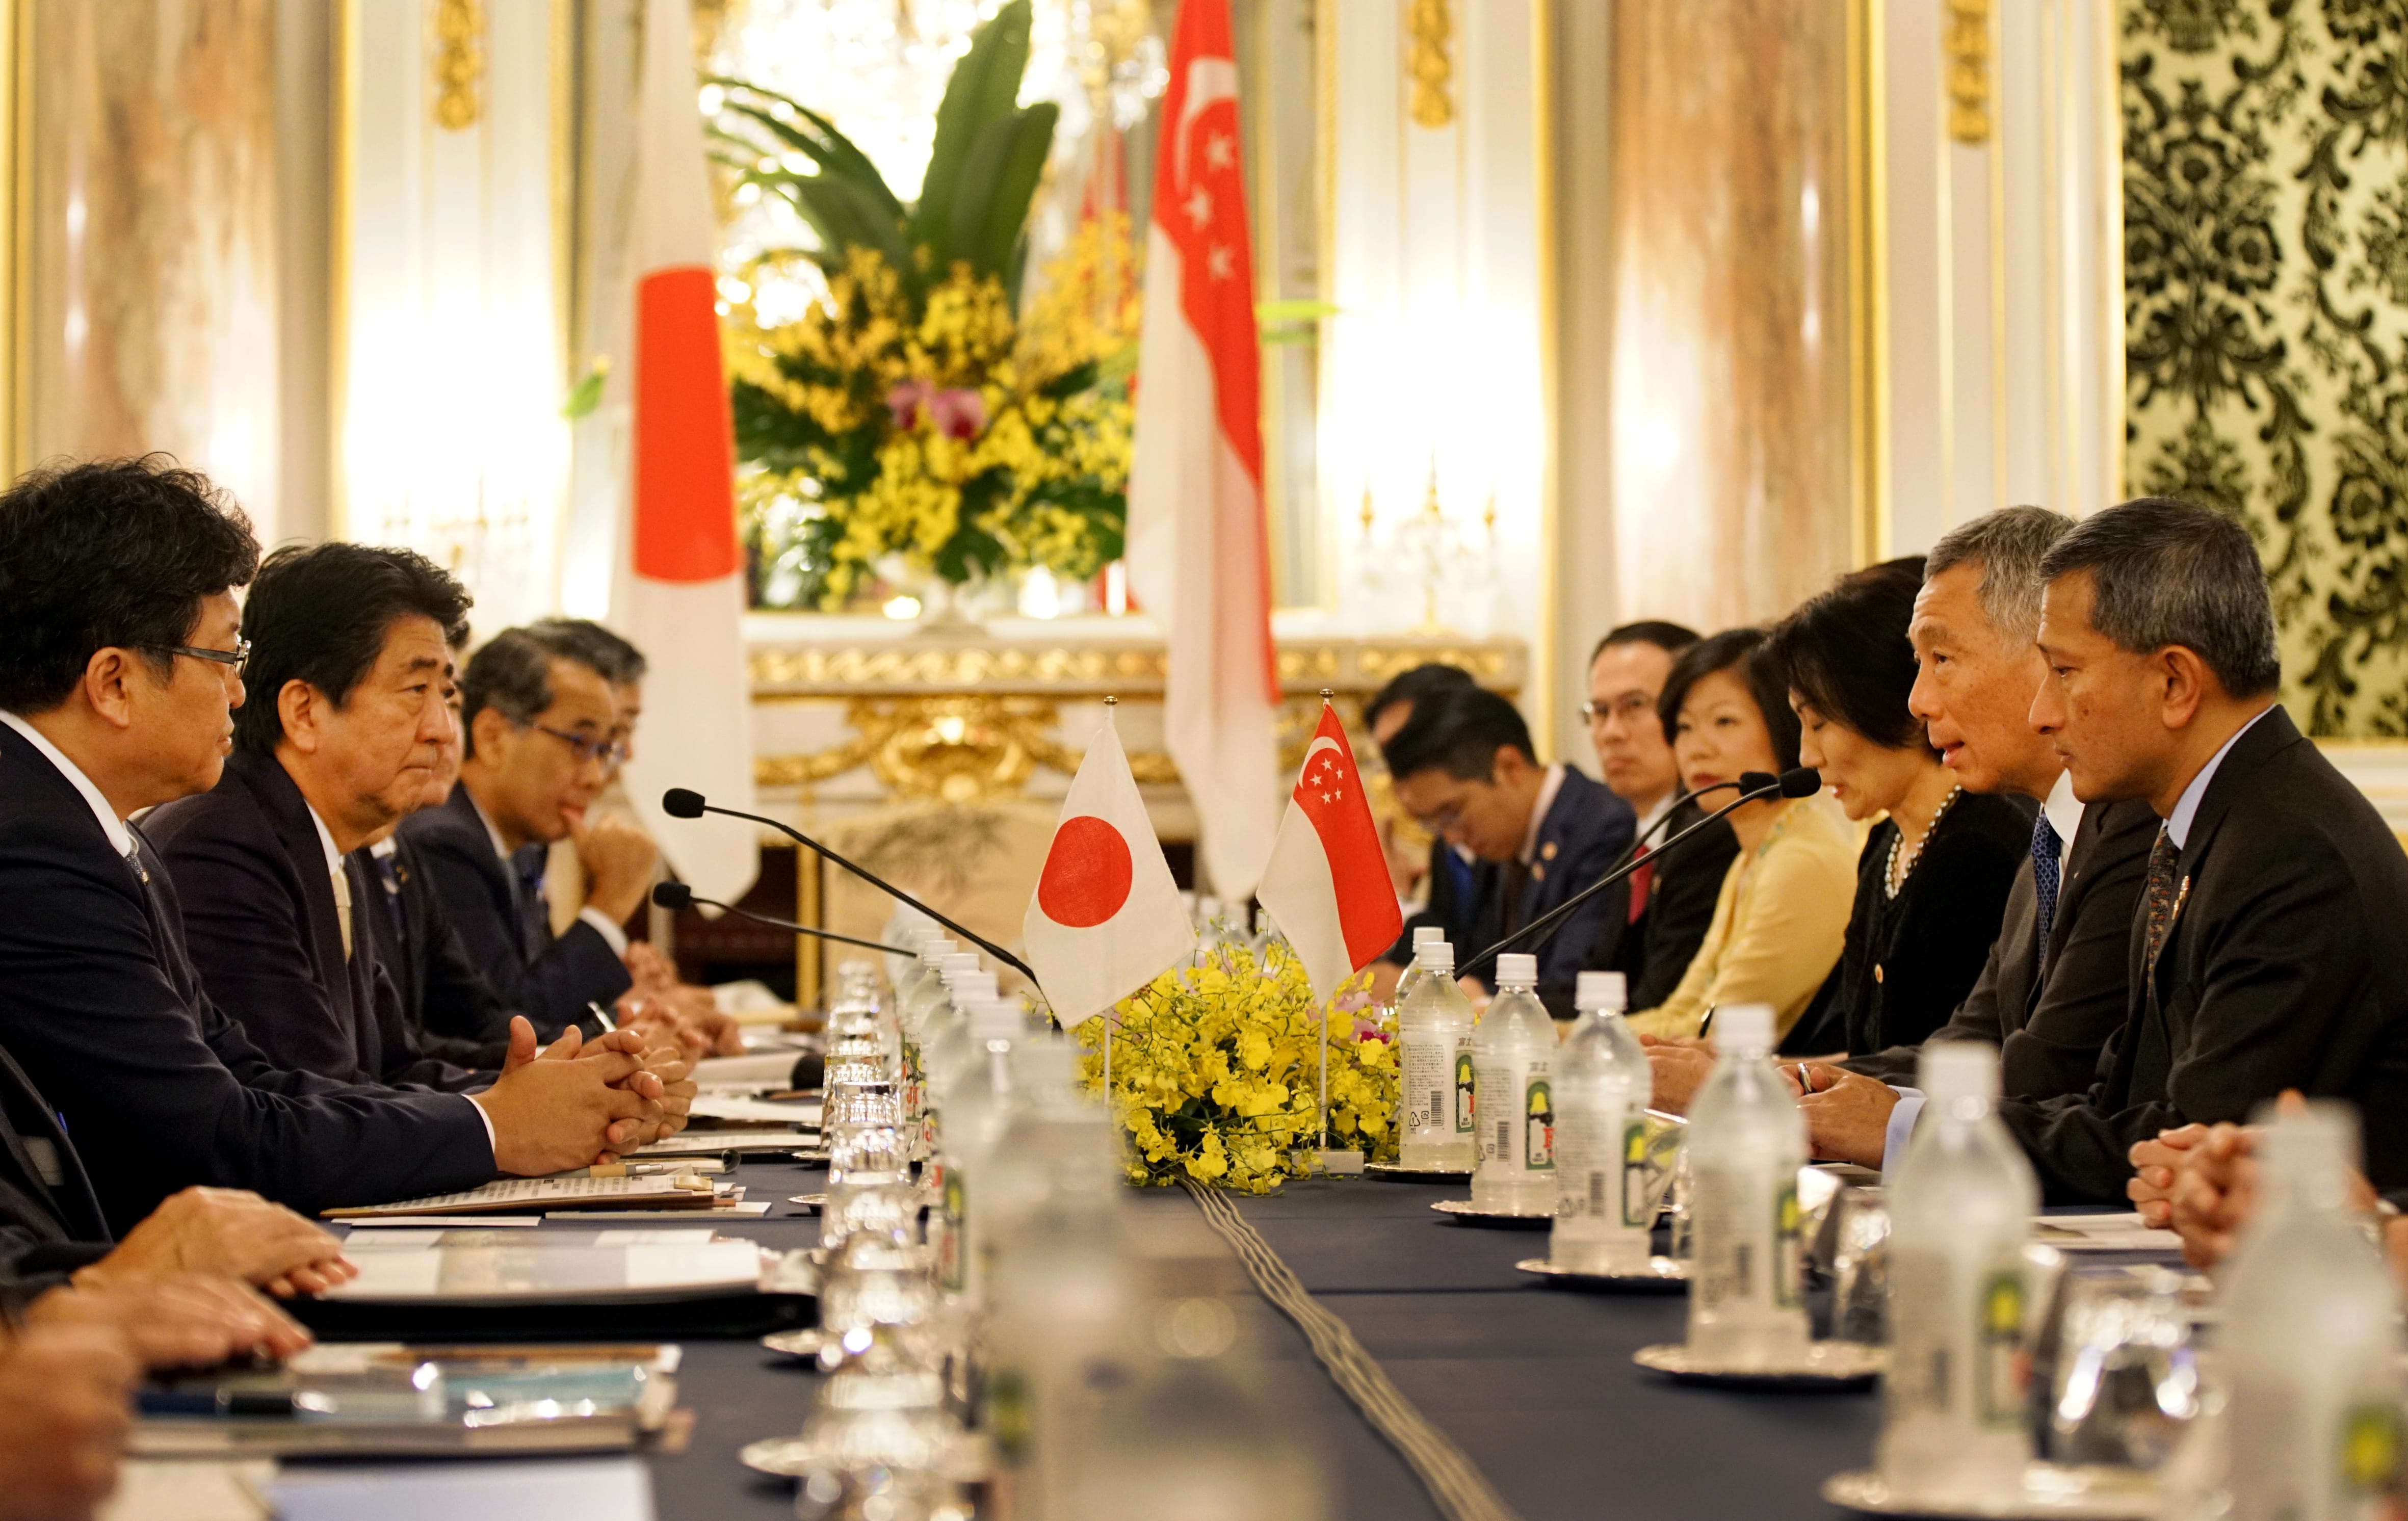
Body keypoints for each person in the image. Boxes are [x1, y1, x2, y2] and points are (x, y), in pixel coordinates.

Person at [0, 457, 667, 1231]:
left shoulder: (99, 834)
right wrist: (498, 1127)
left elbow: (254, 1077)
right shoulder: (45, 846)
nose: (239, 693)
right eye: (223, 659)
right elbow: (216, 1139)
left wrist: (523, 1101)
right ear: (114, 682)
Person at [2003, 496, 2408, 1201]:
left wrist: (1925, 1131)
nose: (2042, 712)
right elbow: (2115, 1102)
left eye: (2063, 672)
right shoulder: (2204, 827)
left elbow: (2197, 1140)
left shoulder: (2292, 854)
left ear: (2174, 683)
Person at [1762, 508, 2158, 1172]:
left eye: (1942, 659)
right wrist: (1798, 1083)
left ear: (2045, 656)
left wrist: (1877, 1119)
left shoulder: (2127, 828)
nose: (1916, 702)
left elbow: (2042, 1067)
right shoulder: (2048, 835)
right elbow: (1968, 1040)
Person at [145, 544, 486, 1089]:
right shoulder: (221, 846)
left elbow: (392, 1065)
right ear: (304, 712)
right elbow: (313, 1097)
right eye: (416, 690)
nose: (443, 729)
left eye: (446, 694)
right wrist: (503, 1120)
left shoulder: (324, 836)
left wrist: (551, 1089)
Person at [1763, 559, 2031, 1058]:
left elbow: (1946, 1063)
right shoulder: (1886, 844)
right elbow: (1865, 1054)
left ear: (1892, 704)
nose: (1806, 756)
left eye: (1818, 722)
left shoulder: (1977, 852)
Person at [399, 628, 655, 1038]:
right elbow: (505, 1025)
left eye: (604, 751)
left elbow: (531, 1001)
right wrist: (610, 904)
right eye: (579, 743)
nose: (594, 777)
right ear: (493, 737)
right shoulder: (441, 841)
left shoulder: (523, 847)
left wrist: (631, 1020)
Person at [1626, 630, 1856, 1041]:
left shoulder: (1800, 862)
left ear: (1783, 724)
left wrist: (1566, 1038)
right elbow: (1683, 1010)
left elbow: (1711, 1033)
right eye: (1684, 727)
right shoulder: (1754, 854)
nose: (1697, 749)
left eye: (1724, 721)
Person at [1382, 685, 1635, 1002]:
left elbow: (1576, 984)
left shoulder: (1600, 824)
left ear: (1509, 767)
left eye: (1452, 813)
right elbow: (1479, 960)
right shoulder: (1503, 839)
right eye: (1433, 824)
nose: (1452, 838)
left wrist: (1474, 998)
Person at [1576, 620, 1738, 1012]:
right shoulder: (1632, 835)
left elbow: (1659, 1004)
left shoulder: (1711, 832)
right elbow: (1601, 981)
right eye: (1599, 711)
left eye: (1635, 706)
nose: (1612, 732)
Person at [1363, 663, 1480, 1002]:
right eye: (1392, 762)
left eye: (1410, 756)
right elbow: (1439, 950)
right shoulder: (1447, 841)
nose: (1399, 783)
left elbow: (1480, 965)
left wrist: (1398, 899)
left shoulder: (1506, 829)